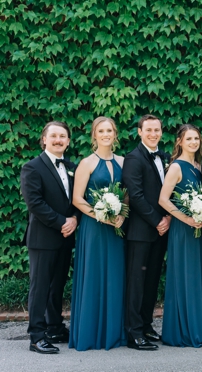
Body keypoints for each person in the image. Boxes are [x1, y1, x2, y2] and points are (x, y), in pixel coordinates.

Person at [69, 117, 127, 351]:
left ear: (115, 134)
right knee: (94, 276)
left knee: (114, 276)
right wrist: (101, 214)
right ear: (94, 135)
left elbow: (127, 193)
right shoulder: (87, 163)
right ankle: (91, 334)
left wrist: (122, 214)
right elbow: (77, 199)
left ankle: (113, 333)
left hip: (116, 229)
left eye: (109, 130)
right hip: (94, 228)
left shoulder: (124, 161)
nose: (106, 134)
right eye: (101, 131)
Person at [20, 121, 77, 354]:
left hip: (66, 237)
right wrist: (62, 222)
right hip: (43, 238)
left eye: (63, 136)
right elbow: (35, 203)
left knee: (57, 286)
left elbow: (77, 199)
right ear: (44, 139)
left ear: (68, 141)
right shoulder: (32, 167)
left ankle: (54, 327)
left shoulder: (71, 166)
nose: (58, 140)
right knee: (40, 287)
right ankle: (36, 335)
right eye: (53, 136)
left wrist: (74, 218)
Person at [158, 125, 202, 348]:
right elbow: (163, 199)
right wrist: (186, 218)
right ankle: (180, 331)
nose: (193, 142)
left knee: (195, 275)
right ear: (179, 141)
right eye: (188, 138)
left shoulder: (199, 165)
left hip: (198, 228)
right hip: (183, 229)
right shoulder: (176, 167)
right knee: (183, 275)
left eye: (196, 138)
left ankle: (197, 328)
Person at [121, 115, 170, 350]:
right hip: (141, 231)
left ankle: (147, 324)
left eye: (157, 129)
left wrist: (168, 218)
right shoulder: (133, 158)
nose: (153, 134)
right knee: (137, 282)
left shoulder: (165, 157)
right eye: (148, 130)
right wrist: (157, 220)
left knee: (151, 281)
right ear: (140, 132)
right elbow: (136, 196)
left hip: (162, 230)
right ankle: (134, 332)